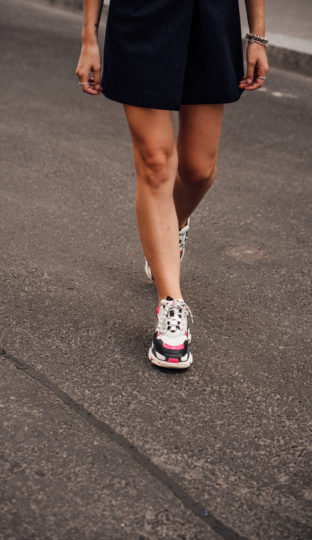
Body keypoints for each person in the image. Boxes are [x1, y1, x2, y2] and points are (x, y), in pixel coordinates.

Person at [76, 0, 269, 369]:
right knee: (156, 165)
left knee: (199, 169)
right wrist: (89, 36)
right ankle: (171, 307)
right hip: (143, 16)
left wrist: (257, 35)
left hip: (211, 17)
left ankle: (171, 227)